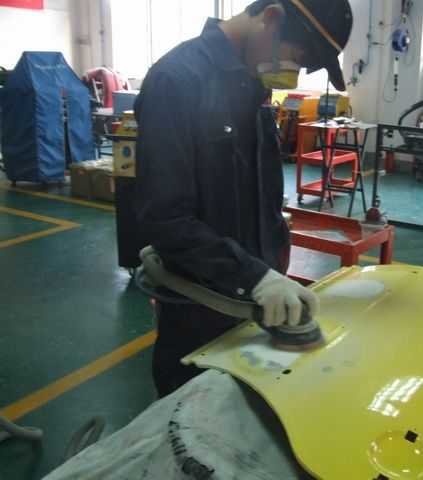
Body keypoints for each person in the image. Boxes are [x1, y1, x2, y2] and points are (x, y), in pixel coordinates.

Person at [134, 0, 354, 397]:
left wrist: (273, 270)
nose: (293, 73)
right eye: (298, 58)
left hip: (256, 306)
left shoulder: (252, 82)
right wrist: (255, 278)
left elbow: (260, 193)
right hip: (198, 313)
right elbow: (166, 219)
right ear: (271, 18)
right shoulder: (177, 81)